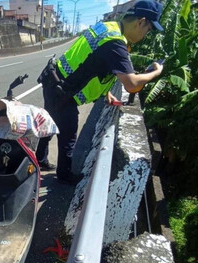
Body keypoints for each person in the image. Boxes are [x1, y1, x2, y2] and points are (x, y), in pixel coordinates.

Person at [36, 0, 165, 185]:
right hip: (62, 91)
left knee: (50, 121)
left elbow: (94, 63)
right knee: (68, 135)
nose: (146, 35)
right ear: (141, 22)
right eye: (149, 29)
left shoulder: (108, 28)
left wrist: (106, 93)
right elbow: (132, 85)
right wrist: (155, 72)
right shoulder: (116, 43)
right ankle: (63, 176)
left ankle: (39, 159)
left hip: (53, 79)